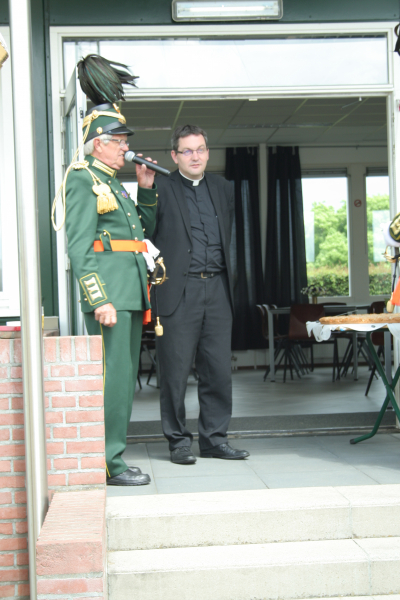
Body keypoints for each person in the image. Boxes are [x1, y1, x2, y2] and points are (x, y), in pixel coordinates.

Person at [58, 55, 159, 485]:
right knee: (113, 380)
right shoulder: (83, 178)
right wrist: (98, 299)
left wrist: (147, 190)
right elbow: (79, 246)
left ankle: (113, 457)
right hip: (111, 298)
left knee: (123, 379)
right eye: (117, 140)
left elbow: (139, 235)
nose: (124, 147)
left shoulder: (115, 183)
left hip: (130, 293)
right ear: (98, 142)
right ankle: (108, 463)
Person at [153, 124, 249, 464]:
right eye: (187, 151)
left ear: (208, 153)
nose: (195, 156)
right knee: (175, 372)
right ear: (175, 155)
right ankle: (178, 441)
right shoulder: (161, 187)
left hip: (218, 289)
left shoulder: (223, 188)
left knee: (218, 370)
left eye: (200, 149)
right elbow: (146, 233)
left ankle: (214, 440)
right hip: (179, 290)